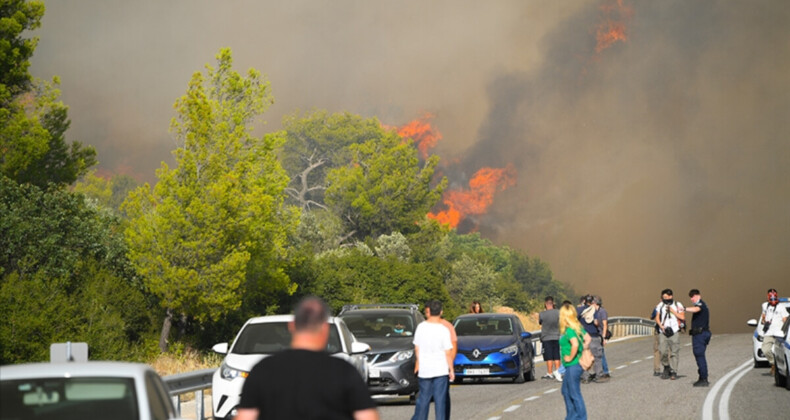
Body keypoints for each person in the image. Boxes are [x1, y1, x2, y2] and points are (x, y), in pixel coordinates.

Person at [236, 296, 378, 420]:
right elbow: (367, 417)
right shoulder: (344, 371)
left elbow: (246, 417)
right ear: (325, 328)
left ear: (292, 326)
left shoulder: (263, 369)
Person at [412, 300, 454, 420]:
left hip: (425, 370)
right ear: (441, 312)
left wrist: (418, 363)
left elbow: (417, 348)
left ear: (428, 311)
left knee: (423, 400)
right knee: (440, 402)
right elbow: (447, 352)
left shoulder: (421, 327)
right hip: (440, 370)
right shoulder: (444, 330)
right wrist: (451, 369)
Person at [424, 300, 457, 418]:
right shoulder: (422, 327)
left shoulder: (446, 326)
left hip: (442, 367)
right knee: (423, 399)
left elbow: (452, 347)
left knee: (442, 397)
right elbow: (418, 348)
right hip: (426, 368)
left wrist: (449, 366)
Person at [559, 302, 589, 420]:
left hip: (573, 365)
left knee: (574, 393)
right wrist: (583, 350)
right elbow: (588, 338)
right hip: (573, 365)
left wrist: (571, 357)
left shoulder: (569, 330)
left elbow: (575, 344)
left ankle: (581, 417)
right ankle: (572, 416)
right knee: (566, 391)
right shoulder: (577, 328)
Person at [654, 289, 685, 380]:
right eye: (664, 297)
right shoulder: (661, 305)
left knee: (674, 352)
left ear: (671, 296)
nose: (665, 299)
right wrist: (661, 326)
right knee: (662, 351)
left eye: (667, 297)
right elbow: (657, 317)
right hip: (663, 332)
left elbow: (682, 316)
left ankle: (674, 371)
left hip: (674, 331)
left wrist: (673, 311)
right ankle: (666, 367)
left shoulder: (678, 305)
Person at [685, 289, 711, 387]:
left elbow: (696, 309)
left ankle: (704, 378)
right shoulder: (701, 304)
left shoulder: (701, 305)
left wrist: (684, 309)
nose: (692, 299)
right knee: (699, 355)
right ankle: (702, 376)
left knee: (700, 355)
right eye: (691, 297)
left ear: (698, 295)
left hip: (700, 334)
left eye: (693, 296)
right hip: (700, 334)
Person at [761, 288, 789, 377]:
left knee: (781, 351)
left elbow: (785, 319)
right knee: (765, 349)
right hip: (769, 332)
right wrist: (764, 320)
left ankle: (781, 368)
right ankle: (773, 363)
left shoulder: (781, 307)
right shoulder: (765, 306)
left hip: (779, 333)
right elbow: (763, 316)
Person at [579, 295, 606, 383]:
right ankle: (599, 375)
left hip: (583, 337)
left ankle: (585, 377)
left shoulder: (579, 310)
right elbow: (596, 323)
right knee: (597, 357)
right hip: (594, 336)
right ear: (592, 302)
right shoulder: (594, 310)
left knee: (584, 357)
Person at [539, 296, 562, 381]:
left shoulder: (542, 314)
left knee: (549, 356)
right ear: (553, 303)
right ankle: (558, 372)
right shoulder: (558, 312)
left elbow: (540, 322)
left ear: (545, 304)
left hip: (546, 337)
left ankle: (549, 373)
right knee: (556, 356)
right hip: (556, 336)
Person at [593, 296, 611, 379]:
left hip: (601, 335)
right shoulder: (594, 312)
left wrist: (604, 338)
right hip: (596, 335)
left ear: (595, 303)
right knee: (598, 354)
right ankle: (600, 371)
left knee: (601, 354)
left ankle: (605, 371)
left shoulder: (602, 312)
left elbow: (605, 325)